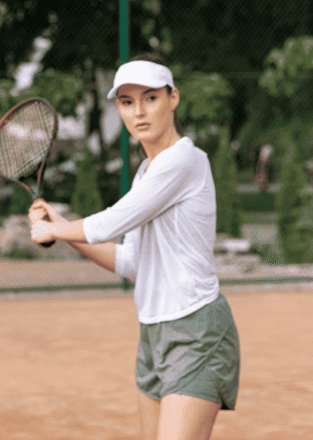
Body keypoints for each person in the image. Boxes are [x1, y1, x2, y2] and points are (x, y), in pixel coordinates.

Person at [28, 54, 240, 440]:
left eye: (150, 98)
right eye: (126, 102)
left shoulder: (183, 161)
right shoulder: (146, 173)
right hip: (152, 333)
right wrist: (58, 226)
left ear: (173, 98)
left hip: (196, 331)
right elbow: (129, 261)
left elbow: (111, 221)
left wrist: (55, 230)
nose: (138, 112)